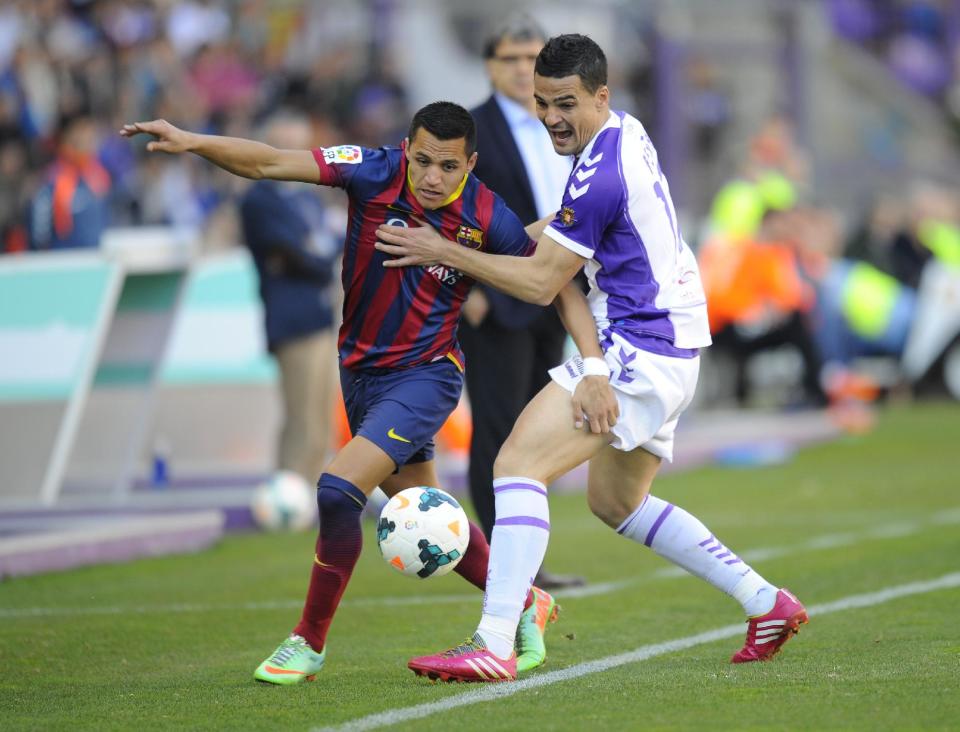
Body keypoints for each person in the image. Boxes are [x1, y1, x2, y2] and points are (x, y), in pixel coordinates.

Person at [376, 34, 808, 682]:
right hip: (671, 345)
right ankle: (764, 601)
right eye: (543, 102)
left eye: (566, 103)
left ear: (600, 96)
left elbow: (542, 282)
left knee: (517, 462)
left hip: (642, 344)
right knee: (616, 501)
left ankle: (494, 642)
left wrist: (446, 251)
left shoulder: (600, 169)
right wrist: (483, 238)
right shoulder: (621, 134)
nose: (552, 117)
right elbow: (564, 224)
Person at [121, 101, 600, 684]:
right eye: (421, 160)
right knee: (429, 521)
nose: (430, 177)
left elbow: (555, 283)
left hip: (427, 377)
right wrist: (191, 139)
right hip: (360, 373)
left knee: (335, 489)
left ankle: (308, 641)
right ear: (405, 149)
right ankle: (527, 601)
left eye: (447, 167)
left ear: (470, 164)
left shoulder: (487, 215)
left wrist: (593, 364)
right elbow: (270, 163)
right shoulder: (371, 171)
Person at [465, 14, 584, 590]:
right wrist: (469, 289)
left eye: (531, 57)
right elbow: (445, 213)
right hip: (497, 298)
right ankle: (499, 570)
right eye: (510, 58)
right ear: (490, 65)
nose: (521, 68)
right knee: (497, 430)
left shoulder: (562, 120)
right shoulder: (471, 130)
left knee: (540, 431)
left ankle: (529, 564)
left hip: (557, 291)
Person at [238, 112, 343, 484]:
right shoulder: (259, 199)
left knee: (318, 418)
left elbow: (324, 247)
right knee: (301, 417)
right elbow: (297, 255)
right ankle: (290, 490)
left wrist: (318, 254)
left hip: (318, 316)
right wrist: (319, 255)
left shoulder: (306, 197)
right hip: (291, 319)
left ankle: (309, 492)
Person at [30, 114, 111, 250]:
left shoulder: (99, 175)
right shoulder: (53, 178)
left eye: (91, 138)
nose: (88, 144)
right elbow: (40, 233)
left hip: (95, 257)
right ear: (68, 140)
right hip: (64, 260)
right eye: (82, 138)